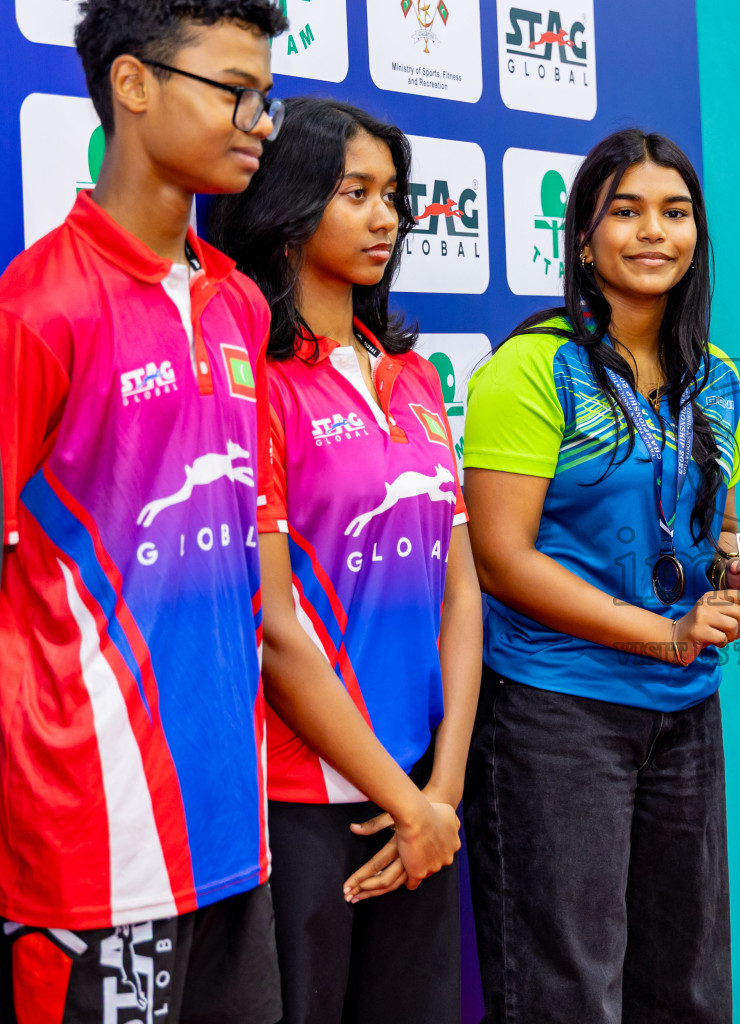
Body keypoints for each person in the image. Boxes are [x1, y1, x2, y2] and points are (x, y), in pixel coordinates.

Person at [0, 1, 288, 1021]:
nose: (258, 120)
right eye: (233, 91)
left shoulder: (242, 304)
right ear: (132, 84)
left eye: (267, 97)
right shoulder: (36, 308)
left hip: (233, 835)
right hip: (92, 849)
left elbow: (259, 570)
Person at [460, 128, 740, 1023]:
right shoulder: (531, 368)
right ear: (582, 237)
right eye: (624, 212)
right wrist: (664, 633)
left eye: (674, 211)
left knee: (688, 987)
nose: (652, 231)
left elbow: (716, 523)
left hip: (684, 714)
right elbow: (502, 560)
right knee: (569, 990)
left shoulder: (719, 379)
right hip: (558, 712)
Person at [206, 98, 477, 1023]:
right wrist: (404, 801)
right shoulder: (254, 381)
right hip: (303, 797)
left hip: (424, 798)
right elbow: (274, 626)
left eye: (393, 195)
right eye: (355, 192)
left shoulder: (412, 375)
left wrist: (440, 789)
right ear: (287, 204)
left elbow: (462, 586)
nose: (386, 218)